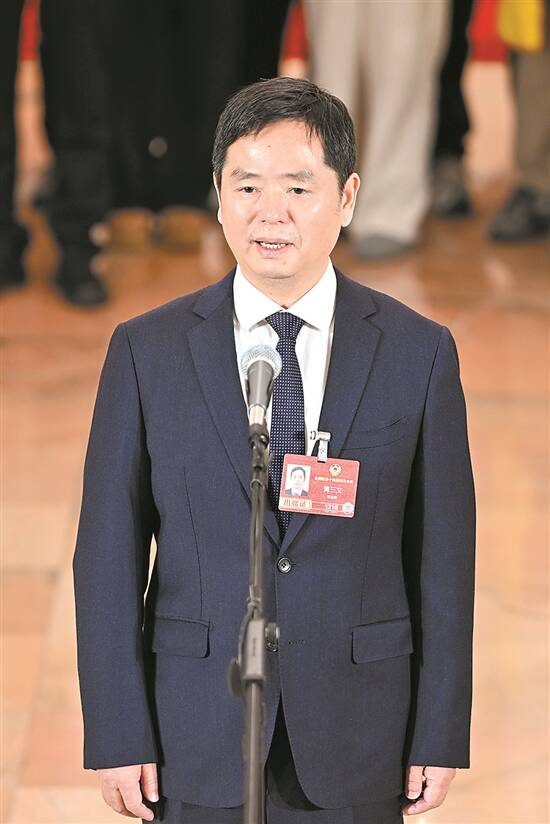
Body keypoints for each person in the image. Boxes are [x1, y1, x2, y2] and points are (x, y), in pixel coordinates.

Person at [72, 77, 476, 823]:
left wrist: (440, 729)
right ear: (218, 194)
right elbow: (107, 554)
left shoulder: (417, 353)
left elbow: (443, 560)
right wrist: (118, 730)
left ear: (347, 198)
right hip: (195, 729)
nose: (270, 213)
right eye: (247, 185)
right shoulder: (146, 351)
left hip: (361, 729)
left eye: (297, 187)